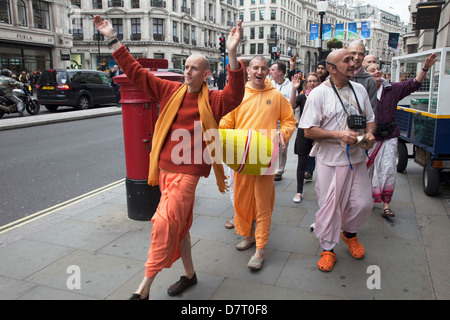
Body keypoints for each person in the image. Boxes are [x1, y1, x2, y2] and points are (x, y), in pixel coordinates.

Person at [93, 15, 245, 300]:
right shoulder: (169, 90)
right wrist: (113, 38)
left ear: (206, 74)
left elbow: (236, 94)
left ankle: (144, 288)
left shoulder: (214, 101)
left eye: (194, 68)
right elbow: (137, 73)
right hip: (164, 170)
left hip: (187, 175)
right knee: (181, 224)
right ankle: (189, 274)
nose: (187, 72)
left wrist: (233, 52)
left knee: (164, 223)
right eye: (186, 67)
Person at [298, 48, 376, 272]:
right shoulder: (319, 94)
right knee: (330, 207)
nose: (354, 62)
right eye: (347, 60)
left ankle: (349, 233)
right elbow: (308, 131)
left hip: (356, 156)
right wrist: (339, 134)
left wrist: (369, 133)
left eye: (354, 59)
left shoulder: (359, 89)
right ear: (332, 68)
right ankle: (327, 249)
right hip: (329, 160)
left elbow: (370, 119)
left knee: (363, 204)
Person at [219, 55, 296, 270]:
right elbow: (227, 120)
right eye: (255, 68)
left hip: (265, 157)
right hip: (241, 156)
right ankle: (249, 235)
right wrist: (219, 128)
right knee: (242, 201)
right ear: (248, 70)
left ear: (269, 71)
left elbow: (290, 120)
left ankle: (260, 249)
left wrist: (284, 133)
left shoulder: (277, 96)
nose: (259, 72)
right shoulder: (238, 95)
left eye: (264, 68)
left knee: (262, 204)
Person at [365, 53, 438, 218]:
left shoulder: (392, 89)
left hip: (389, 136)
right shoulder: (362, 92)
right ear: (366, 75)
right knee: (366, 170)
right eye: (372, 70)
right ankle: (367, 199)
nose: (377, 72)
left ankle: (386, 204)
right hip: (370, 138)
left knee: (388, 169)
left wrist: (425, 68)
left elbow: (413, 84)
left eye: (378, 69)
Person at [290, 72, 321, 203]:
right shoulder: (302, 97)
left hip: (320, 132)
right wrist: (293, 88)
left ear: (319, 82)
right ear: (306, 83)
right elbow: (292, 105)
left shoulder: (324, 96)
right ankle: (299, 191)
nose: (312, 83)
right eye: (310, 81)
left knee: (322, 162)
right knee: (301, 162)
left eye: (315, 81)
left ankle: (325, 193)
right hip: (303, 132)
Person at [270, 60, 296, 181]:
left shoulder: (290, 86)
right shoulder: (269, 84)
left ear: (280, 72)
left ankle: (279, 170)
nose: (270, 72)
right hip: (270, 120)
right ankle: (269, 168)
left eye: (273, 70)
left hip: (284, 121)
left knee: (282, 146)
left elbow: (292, 105)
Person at [348, 41, 377, 116]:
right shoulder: (335, 77)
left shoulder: (369, 81)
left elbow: (372, 112)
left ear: (364, 56)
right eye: (353, 53)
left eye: (360, 54)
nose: (356, 57)